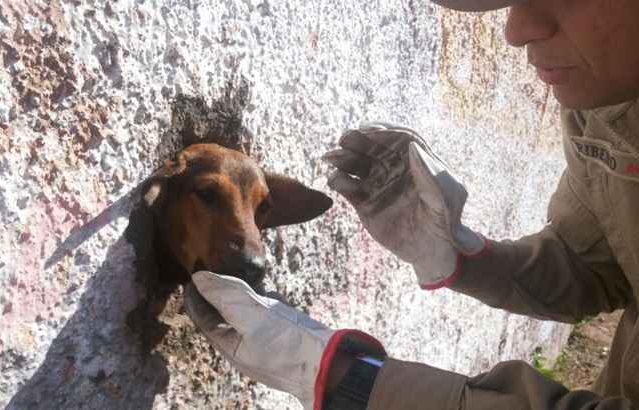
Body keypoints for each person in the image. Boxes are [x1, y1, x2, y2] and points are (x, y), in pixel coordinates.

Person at [182, 0, 639, 408]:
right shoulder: (611, 106)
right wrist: (458, 254)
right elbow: (595, 267)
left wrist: (352, 380)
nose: (517, 29)